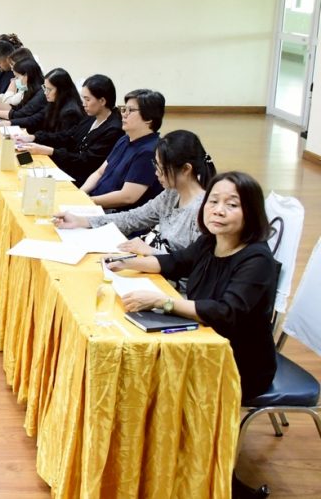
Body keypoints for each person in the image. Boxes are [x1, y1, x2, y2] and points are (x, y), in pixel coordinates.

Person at [108, 171, 278, 402]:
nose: (218, 210)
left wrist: (163, 302)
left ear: (251, 211)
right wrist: (125, 263)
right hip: (201, 340)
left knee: (143, 371)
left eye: (232, 205)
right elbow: (176, 262)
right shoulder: (211, 240)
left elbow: (225, 312)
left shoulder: (257, 260)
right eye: (213, 201)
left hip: (237, 363)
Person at [57, 129, 215, 258]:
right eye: (156, 165)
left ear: (186, 169)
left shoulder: (202, 210)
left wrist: (152, 252)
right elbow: (134, 218)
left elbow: (194, 263)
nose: (156, 173)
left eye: (161, 168)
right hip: (153, 266)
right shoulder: (171, 195)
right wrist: (83, 221)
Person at [16, 74, 124, 185]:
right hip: (69, 169)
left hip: (82, 179)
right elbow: (68, 135)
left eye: (87, 99)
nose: (83, 104)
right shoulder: (92, 116)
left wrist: (50, 151)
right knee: (23, 170)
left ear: (102, 101)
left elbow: (86, 161)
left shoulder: (113, 129)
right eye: (83, 99)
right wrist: (34, 137)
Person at [81, 89, 166, 211]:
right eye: (124, 109)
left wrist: (86, 201)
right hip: (96, 202)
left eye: (130, 110)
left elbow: (127, 197)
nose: (124, 114)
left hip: (116, 212)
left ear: (148, 118)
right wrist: (81, 193)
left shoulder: (150, 151)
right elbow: (99, 172)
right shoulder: (124, 139)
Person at [0, 57, 46, 127]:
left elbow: (21, 114)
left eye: (17, 77)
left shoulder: (41, 93)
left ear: (26, 76)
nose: (15, 80)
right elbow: (17, 109)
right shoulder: (29, 90)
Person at [32, 68, 84, 135]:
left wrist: (35, 137)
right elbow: (37, 118)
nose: (45, 92)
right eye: (45, 88)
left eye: (49, 89)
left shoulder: (70, 112)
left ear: (62, 90)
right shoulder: (54, 102)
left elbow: (61, 138)